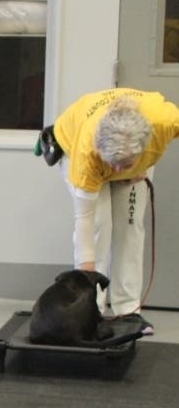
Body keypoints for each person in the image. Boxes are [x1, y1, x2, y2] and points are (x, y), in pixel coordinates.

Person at [49, 88, 179, 315]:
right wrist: (87, 277)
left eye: (124, 165)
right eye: (114, 165)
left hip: (137, 163)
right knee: (99, 225)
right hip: (76, 145)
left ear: (145, 147)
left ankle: (128, 311)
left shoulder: (165, 121)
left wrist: (136, 169)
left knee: (130, 226)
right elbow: (85, 220)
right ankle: (92, 309)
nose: (116, 172)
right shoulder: (86, 153)